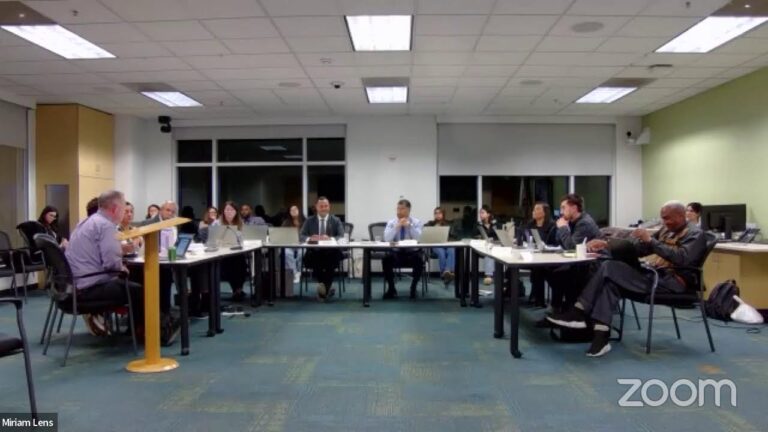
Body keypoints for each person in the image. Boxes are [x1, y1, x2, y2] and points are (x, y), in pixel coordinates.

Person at [547, 201, 708, 357]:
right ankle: (601, 338)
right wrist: (609, 244)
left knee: (609, 266)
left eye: (667, 218)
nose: (665, 222)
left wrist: (651, 241)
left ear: (680, 216)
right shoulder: (666, 230)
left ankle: (578, 312)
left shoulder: (696, 234)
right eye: (663, 218)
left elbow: (682, 259)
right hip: (654, 276)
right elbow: (642, 250)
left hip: (673, 283)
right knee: (610, 284)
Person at [65, 191, 143, 336]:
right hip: (89, 287)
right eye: (123, 208)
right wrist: (121, 267)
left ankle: (104, 318)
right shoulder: (106, 226)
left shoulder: (87, 221)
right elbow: (111, 264)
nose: (124, 213)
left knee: (129, 280)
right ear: (115, 209)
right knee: (139, 289)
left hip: (75, 284)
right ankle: (139, 332)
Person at [545, 194, 602, 313]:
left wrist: (562, 228)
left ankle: (565, 308)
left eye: (563, 208)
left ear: (574, 208)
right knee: (549, 270)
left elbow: (571, 247)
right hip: (580, 262)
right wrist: (560, 228)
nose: (561, 212)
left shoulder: (584, 223)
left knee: (559, 274)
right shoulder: (573, 221)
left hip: (592, 266)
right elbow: (560, 242)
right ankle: (559, 307)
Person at [300, 197, 344, 300]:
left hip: (331, 252)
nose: (324, 208)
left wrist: (330, 238)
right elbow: (301, 235)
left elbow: (341, 236)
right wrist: (310, 238)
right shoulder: (309, 221)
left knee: (331, 260)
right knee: (315, 259)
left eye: (326, 206)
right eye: (321, 206)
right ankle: (327, 289)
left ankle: (323, 291)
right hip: (315, 252)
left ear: (329, 207)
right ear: (316, 207)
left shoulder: (336, 220)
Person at [382, 199, 424, 299]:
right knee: (386, 260)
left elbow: (420, 238)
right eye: (398, 209)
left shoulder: (416, 222)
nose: (399, 211)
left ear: (408, 210)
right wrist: (397, 227)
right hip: (396, 253)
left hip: (412, 253)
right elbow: (387, 238)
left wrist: (409, 226)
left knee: (419, 261)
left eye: (402, 209)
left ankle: (413, 288)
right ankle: (391, 289)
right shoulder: (392, 222)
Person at [521, 202, 557, 307]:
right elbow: (525, 237)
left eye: (537, 209)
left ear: (544, 212)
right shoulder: (530, 224)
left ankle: (538, 298)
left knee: (538, 268)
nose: (533, 211)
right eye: (534, 209)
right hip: (532, 255)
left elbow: (554, 244)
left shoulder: (552, 226)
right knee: (511, 267)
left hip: (547, 258)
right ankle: (512, 292)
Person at [215, 201, 249, 302]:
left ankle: (238, 289)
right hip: (222, 251)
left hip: (237, 250)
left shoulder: (240, 222)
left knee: (240, 261)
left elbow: (243, 238)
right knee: (230, 262)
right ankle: (236, 289)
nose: (229, 212)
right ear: (223, 211)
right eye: (227, 210)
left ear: (235, 212)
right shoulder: (217, 223)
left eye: (231, 210)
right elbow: (213, 237)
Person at [425, 207, 456, 283]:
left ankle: (447, 271)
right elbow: (425, 232)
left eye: (439, 213)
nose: (437, 215)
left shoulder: (449, 224)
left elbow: (454, 237)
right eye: (436, 213)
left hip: (447, 245)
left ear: (443, 214)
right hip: (436, 245)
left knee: (451, 250)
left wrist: (447, 240)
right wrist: (433, 228)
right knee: (441, 252)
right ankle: (445, 273)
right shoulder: (430, 224)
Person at [282, 205, 306, 284]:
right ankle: (295, 273)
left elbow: (308, 234)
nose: (294, 211)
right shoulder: (286, 222)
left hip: (302, 244)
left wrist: (301, 241)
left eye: (295, 209)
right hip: (290, 244)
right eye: (291, 210)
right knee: (286, 253)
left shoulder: (305, 221)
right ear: (289, 212)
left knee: (301, 253)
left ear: (299, 211)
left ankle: (299, 271)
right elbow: (282, 235)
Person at [477, 205, 498, 286]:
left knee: (491, 252)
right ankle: (488, 276)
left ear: (488, 214)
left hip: (494, 247)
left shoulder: (495, 224)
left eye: (482, 213)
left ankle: (491, 276)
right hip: (481, 248)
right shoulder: (478, 225)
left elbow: (498, 236)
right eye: (480, 213)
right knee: (488, 253)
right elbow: (473, 236)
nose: (480, 215)